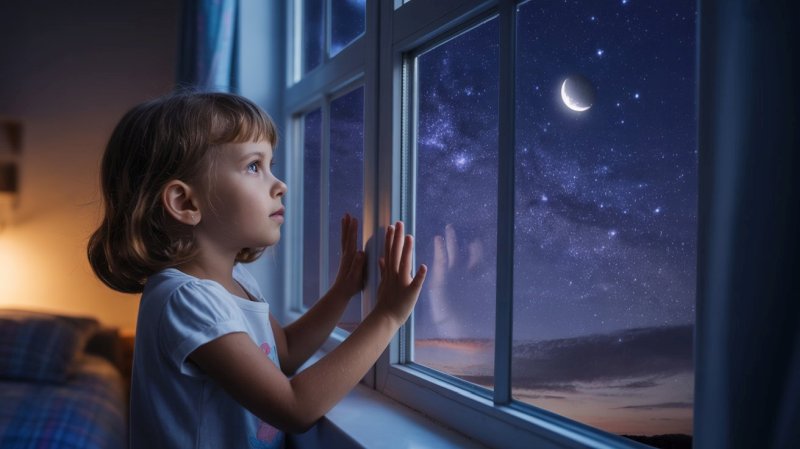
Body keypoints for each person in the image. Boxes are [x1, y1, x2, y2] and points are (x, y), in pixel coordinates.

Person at [87, 91, 427, 449]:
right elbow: (293, 408)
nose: (280, 185)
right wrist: (387, 317)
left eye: (271, 165)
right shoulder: (185, 299)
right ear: (185, 202)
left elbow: (284, 352)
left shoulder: (234, 281)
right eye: (253, 166)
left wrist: (343, 291)